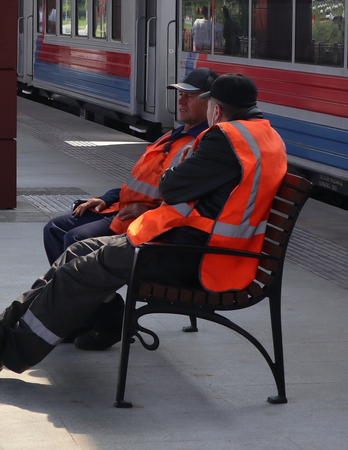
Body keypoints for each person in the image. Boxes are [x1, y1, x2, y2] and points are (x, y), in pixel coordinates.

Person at [0, 74, 288, 377]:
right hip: (209, 249)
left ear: (217, 108)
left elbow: (170, 185)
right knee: (79, 249)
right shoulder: (266, 136)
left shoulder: (223, 137)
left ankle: (6, 352)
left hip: (195, 255)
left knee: (80, 269)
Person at [41, 67, 218, 349]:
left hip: (149, 223)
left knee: (75, 239)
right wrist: (106, 198)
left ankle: (109, 321)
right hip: (124, 210)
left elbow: (189, 200)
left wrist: (147, 210)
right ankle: (85, 317)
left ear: (211, 103)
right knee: (55, 228)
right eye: (180, 95)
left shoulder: (200, 145)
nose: (181, 101)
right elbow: (139, 181)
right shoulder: (174, 135)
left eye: (190, 96)